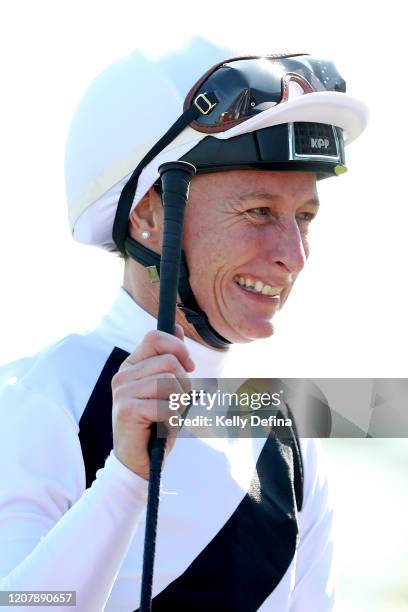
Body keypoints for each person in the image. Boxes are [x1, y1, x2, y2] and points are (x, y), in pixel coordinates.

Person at [0, 37, 368, 611]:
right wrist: (124, 477)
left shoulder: (289, 442)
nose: (292, 256)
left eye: (303, 218)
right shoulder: (38, 401)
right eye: (259, 212)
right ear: (148, 212)